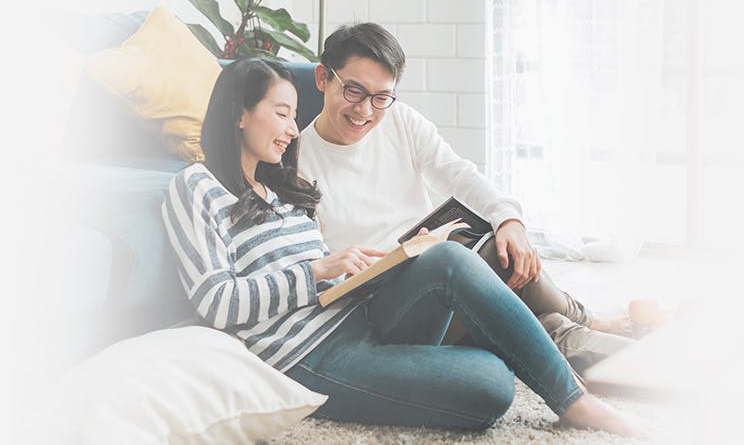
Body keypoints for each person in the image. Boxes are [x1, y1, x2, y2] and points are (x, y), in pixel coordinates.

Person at [161, 58, 646, 436]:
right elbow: (214, 301)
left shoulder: (282, 187)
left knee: (449, 256)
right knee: (493, 385)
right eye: (281, 114)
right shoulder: (196, 186)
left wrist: (367, 267)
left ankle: (574, 399)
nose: (292, 129)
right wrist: (316, 272)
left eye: (294, 115)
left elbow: (324, 277)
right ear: (238, 114)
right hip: (311, 357)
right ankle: (581, 340)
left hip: (357, 315)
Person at [293, 23, 633, 370]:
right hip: (384, 305)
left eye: (381, 97)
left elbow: (457, 173)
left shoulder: (400, 121)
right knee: (484, 264)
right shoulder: (296, 166)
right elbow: (319, 274)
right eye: (353, 91)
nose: (365, 111)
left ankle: (631, 350)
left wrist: (509, 219)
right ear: (323, 78)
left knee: (508, 263)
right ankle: (594, 321)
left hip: (436, 266)